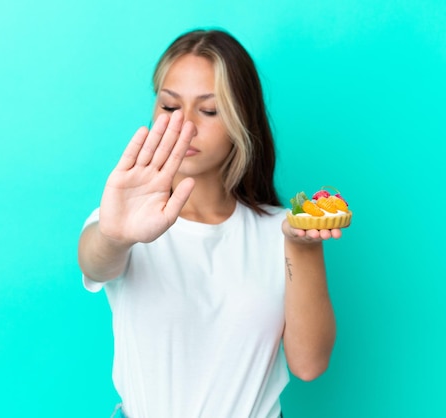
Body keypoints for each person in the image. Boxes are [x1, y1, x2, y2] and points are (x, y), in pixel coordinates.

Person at [77, 29, 341, 418]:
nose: (185, 126)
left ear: (240, 119)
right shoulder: (126, 220)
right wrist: (115, 236)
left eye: (209, 110)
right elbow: (95, 261)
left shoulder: (280, 230)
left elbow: (309, 364)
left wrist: (302, 246)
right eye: (169, 107)